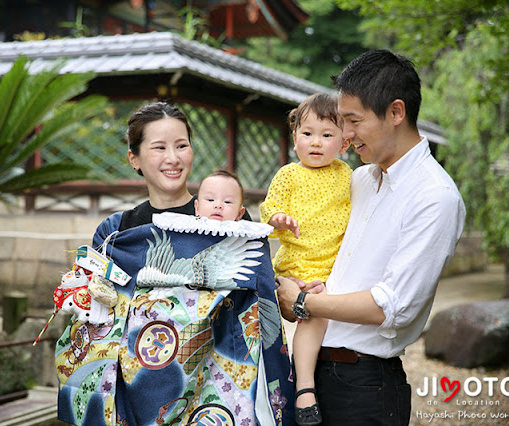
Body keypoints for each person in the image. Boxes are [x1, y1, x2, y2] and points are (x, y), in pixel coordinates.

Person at [55, 101, 296, 426]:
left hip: (213, 391)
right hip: (134, 389)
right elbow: (98, 318)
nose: (173, 158)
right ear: (134, 158)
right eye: (159, 147)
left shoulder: (230, 223)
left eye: (181, 145)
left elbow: (257, 308)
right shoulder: (116, 232)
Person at [276, 49, 466, 425]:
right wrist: (295, 288)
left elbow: (390, 306)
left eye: (353, 121)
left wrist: (303, 303)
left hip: (365, 386)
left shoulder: (435, 198)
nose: (345, 135)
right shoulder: (359, 179)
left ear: (396, 113)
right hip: (311, 371)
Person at [260, 93, 351, 426]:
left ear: (344, 142)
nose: (317, 142)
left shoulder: (347, 175)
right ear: (294, 139)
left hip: (333, 267)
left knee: (321, 309)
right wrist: (279, 218)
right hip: (298, 265)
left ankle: (306, 380)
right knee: (313, 311)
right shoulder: (288, 175)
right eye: (308, 133)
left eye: (327, 135)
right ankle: (305, 386)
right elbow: (269, 208)